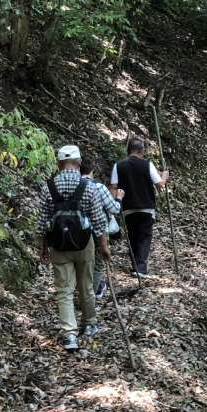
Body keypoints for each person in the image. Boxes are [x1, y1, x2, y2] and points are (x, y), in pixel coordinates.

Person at [37, 145, 111, 352]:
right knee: (85, 285)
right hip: (84, 243)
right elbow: (97, 219)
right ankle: (89, 324)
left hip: (58, 245)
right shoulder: (87, 186)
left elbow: (42, 222)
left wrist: (43, 248)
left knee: (64, 289)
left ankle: (69, 334)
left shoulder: (49, 186)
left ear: (59, 164)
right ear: (79, 163)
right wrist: (103, 246)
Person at [110, 138, 169, 279]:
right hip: (146, 207)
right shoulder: (147, 164)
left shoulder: (118, 165)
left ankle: (135, 266)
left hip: (127, 207)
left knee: (132, 235)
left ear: (128, 150)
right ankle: (140, 268)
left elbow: (113, 187)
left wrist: (114, 205)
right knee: (144, 237)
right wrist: (164, 177)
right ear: (141, 151)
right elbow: (160, 185)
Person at [81, 156, 123, 300]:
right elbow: (114, 208)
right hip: (98, 229)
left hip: (78, 231)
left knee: (82, 263)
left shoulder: (73, 185)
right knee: (98, 263)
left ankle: (86, 291)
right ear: (92, 170)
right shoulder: (98, 186)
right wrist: (119, 198)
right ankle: (91, 295)